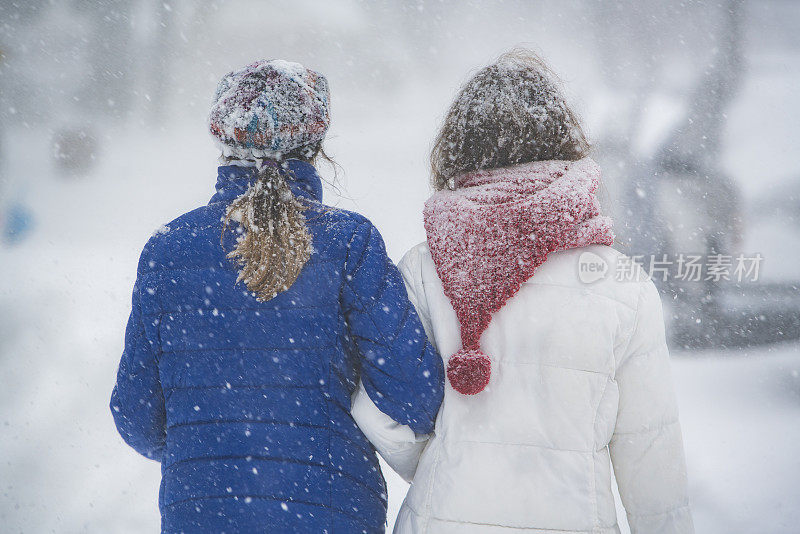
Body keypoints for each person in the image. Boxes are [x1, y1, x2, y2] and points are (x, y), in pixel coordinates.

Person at [352, 50, 694, 534]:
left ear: (458, 148)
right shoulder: (621, 282)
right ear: (565, 142)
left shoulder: (422, 269)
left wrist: (446, 464)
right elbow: (651, 450)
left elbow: (380, 406)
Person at [110, 59, 444, 534]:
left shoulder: (167, 251)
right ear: (317, 146)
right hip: (330, 516)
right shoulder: (349, 244)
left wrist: (214, 444)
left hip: (202, 516)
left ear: (223, 141)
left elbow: (137, 416)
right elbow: (415, 394)